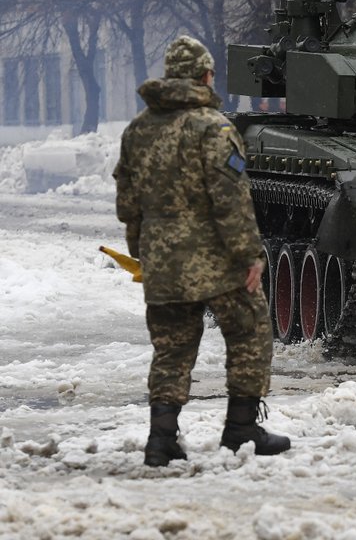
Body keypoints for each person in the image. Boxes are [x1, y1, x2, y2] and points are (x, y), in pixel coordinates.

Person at [113, 35, 290, 467]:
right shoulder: (214, 127)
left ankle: (161, 439)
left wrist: (143, 252)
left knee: (171, 348)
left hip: (163, 261)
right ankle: (241, 428)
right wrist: (250, 255)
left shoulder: (137, 130)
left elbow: (127, 202)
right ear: (205, 75)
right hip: (218, 263)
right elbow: (230, 199)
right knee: (249, 333)